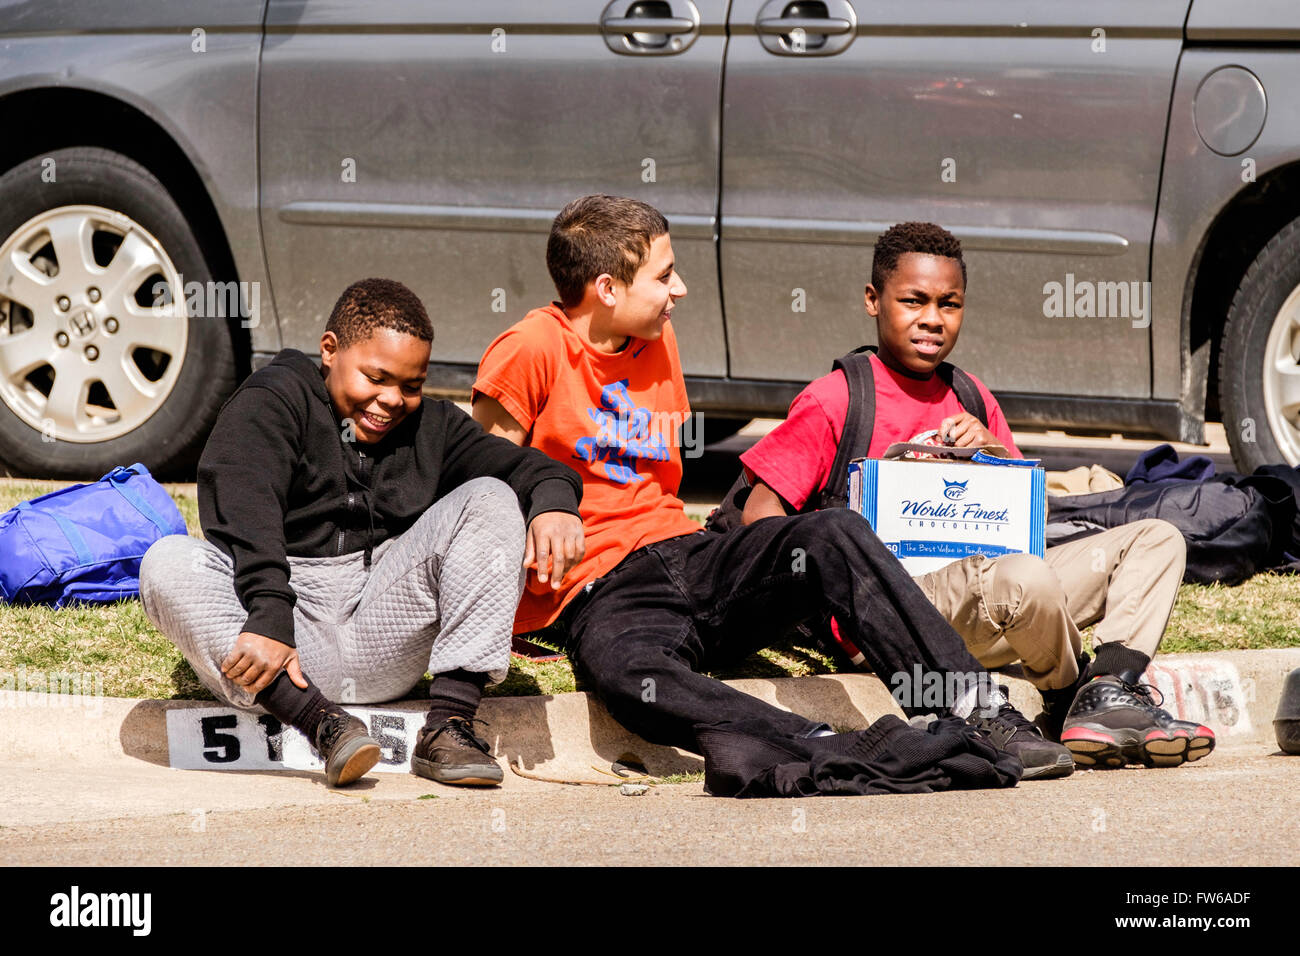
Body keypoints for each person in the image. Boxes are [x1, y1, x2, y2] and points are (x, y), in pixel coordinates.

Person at [470, 194, 1074, 781]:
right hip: (604, 592)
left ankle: (978, 711)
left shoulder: (659, 337)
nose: (679, 290)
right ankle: (825, 743)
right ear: (607, 289)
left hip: (691, 554)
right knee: (628, 675)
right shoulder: (530, 349)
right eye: (665, 275)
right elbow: (487, 487)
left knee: (833, 531)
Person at [739, 221, 1214, 769]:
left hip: (999, 601)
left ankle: (1104, 689)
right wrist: (825, 593)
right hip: (899, 613)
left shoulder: (970, 395)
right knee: (1023, 577)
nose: (932, 320)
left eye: (949, 303)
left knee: (1158, 539)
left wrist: (993, 452)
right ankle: (1066, 697)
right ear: (873, 300)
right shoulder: (838, 398)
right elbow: (761, 509)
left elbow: (1025, 521)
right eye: (913, 301)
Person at [140, 278, 584, 787]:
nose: (392, 399)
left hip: (383, 625)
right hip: (283, 644)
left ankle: (450, 728)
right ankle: (323, 726)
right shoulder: (274, 399)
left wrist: (554, 503)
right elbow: (243, 502)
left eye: (411, 386)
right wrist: (268, 611)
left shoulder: (431, 427)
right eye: (376, 377)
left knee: (491, 496)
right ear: (330, 350)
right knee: (166, 560)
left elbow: (526, 467)